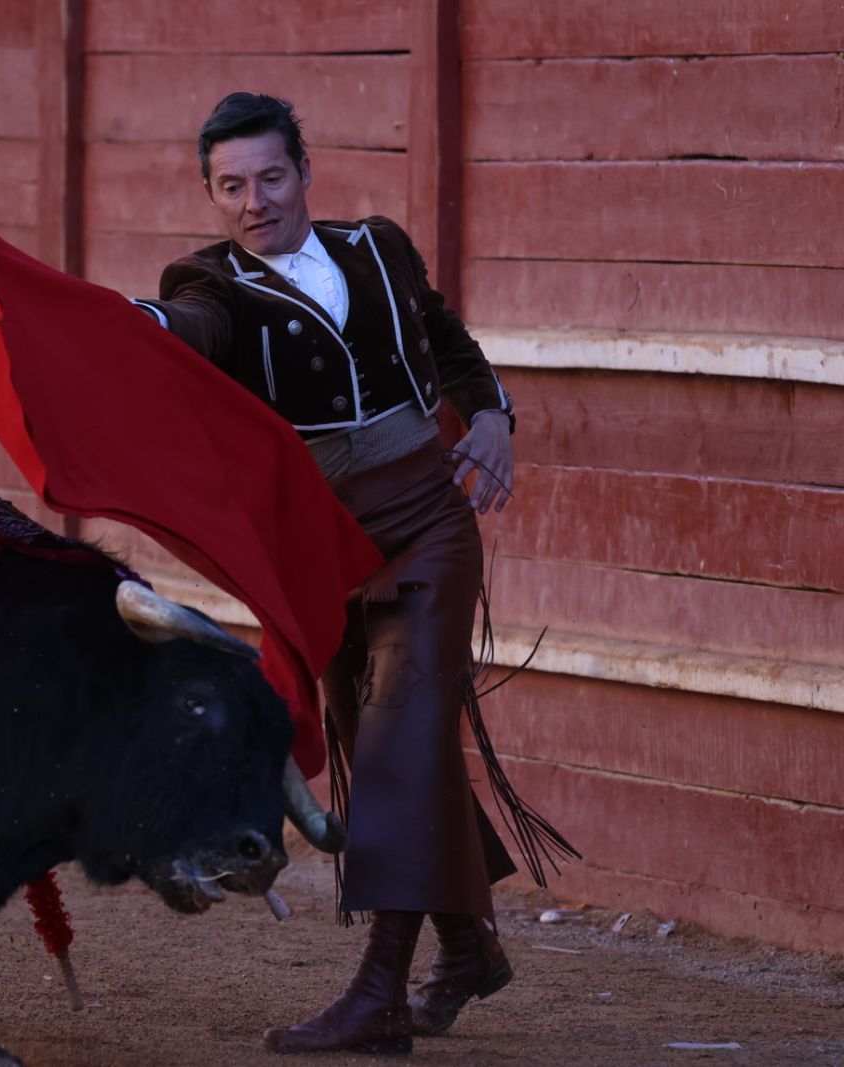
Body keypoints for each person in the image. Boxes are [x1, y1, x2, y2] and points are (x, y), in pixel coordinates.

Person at [131, 92, 574, 1055]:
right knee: (388, 744)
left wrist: (491, 414)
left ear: (305, 172)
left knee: (396, 739)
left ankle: (380, 990)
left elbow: (448, 341)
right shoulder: (211, 285)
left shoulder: (378, 247)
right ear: (211, 195)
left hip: (427, 523)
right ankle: (468, 949)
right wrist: (135, 326)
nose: (255, 201)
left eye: (270, 177)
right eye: (231, 186)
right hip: (321, 548)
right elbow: (191, 327)